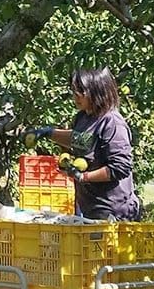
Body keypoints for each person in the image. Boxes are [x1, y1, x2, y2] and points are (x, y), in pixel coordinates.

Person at [29, 67, 141, 221]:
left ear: (97, 91)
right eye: (74, 91)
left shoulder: (112, 123)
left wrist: (84, 177)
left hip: (113, 210)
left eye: (81, 92)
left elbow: (120, 168)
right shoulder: (83, 118)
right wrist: (49, 133)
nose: (76, 96)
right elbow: (80, 139)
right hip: (90, 206)